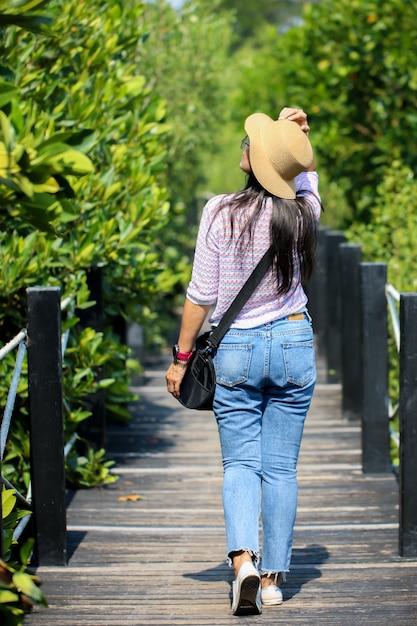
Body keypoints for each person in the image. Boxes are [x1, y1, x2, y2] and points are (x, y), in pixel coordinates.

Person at [165, 107, 321, 616]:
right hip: (294, 344)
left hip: (236, 352)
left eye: (250, 144)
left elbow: (202, 294)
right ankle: (274, 579)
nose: (243, 147)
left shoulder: (219, 211)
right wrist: (296, 138)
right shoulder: (303, 214)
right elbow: (307, 182)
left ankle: (243, 566)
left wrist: (182, 358)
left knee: (241, 465)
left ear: (254, 162)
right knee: (281, 468)